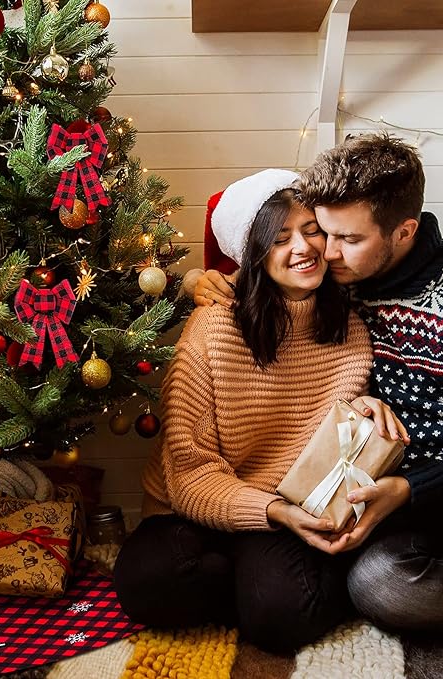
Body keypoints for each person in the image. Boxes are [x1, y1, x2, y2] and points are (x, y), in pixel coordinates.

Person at [113, 169, 408, 653]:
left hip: (291, 508)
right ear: (253, 253)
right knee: (146, 584)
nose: (303, 248)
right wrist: (267, 512)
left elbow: (333, 437)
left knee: (280, 621)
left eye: (311, 230)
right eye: (279, 238)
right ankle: (257, 586)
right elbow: (190, 474)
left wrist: (362, 407)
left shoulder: (350, 325)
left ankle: (265, 590)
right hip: (202, 504)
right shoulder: (212, 329)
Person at [194, 133, 443, 632]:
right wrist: (198, 278)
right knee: (370, 581)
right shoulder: (340, 282)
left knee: (378, 585)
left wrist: (409, 487)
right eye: (325, 231)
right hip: (370, 492)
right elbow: (257, 261)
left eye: (350, 239)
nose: (327, 253)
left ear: (404, 232)